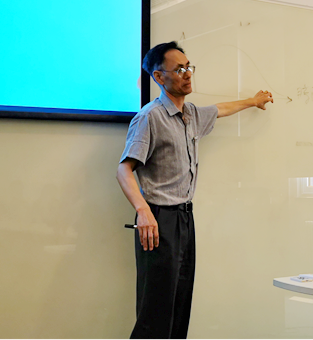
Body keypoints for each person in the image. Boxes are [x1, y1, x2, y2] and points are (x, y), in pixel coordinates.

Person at [116, 41, 273, 339]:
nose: (187, 74)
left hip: (185, 219)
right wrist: (143, 211)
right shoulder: (150, 117)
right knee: (156, 312)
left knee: (179, 306)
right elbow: (123, 169)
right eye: (178, 69)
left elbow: (221, 109)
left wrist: (253, 101)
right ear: (159, 77)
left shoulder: (190, 115)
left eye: (189, 67)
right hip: (159, 220)